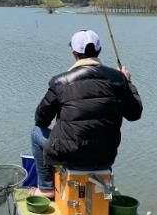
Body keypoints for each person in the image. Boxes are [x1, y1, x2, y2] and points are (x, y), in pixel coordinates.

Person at [30, 30, 143, 198]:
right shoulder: (118, 79)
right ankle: (103, 189)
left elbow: (41, 119)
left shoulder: (60, 81)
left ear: (74, 53)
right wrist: (128, 82)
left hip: (69, 157)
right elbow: (135, 114)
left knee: (36, 132)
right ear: (99, 51)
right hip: (105, 158)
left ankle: (46, 188)